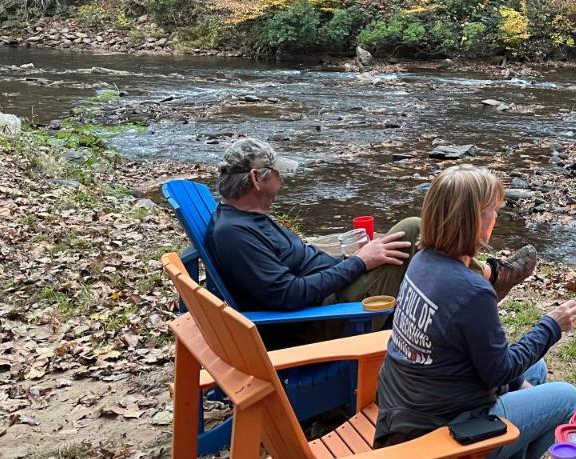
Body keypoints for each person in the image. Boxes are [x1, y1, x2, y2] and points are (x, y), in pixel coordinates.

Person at [374, 164, 576, 459]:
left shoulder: (422, 261)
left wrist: (513, 378)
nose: (497, 217)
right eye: (493, 210)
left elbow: (489, 362)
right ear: (471, 218)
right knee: (567, 396)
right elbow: (499, 369)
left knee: (534, 371)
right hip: (440, 443)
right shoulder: (471, 290)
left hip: (405, 412)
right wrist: (551, 325)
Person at [205, 138, 537, 340]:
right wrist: (360, 262)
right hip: (323, 319)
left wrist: (354, 253)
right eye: (277, 173)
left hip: (332, 291)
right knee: (412, 232)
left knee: (411, 232)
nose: (282, 179)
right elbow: (289, 296)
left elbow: (298, 261)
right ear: (256, 179)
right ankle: (490, 279)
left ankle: (488, 278)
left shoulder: (247, 218)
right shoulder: (236, 234)